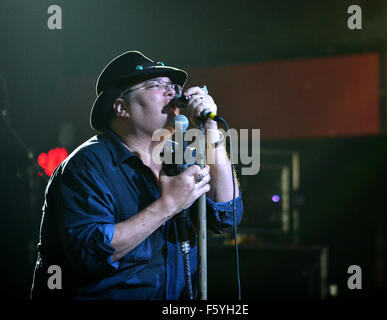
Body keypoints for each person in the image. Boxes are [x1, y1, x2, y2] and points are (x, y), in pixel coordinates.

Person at [30, 51, 243, 300]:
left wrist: (210, 130)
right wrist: (168, 205)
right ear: (122, 108)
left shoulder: (181, 159)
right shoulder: (86, 165)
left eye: (172, 86)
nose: (172, 93)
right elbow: (88, 253)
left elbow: (226, 216)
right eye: (155, 85)